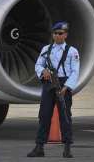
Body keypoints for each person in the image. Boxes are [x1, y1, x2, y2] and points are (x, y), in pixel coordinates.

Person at [27, 21, 80, 158]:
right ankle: (39, 146)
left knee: (65, 117)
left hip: (64, 83)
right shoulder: (46, 49)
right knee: (44, 115)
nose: (57, 36)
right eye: (55, 33)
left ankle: (67, 147)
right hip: (49, 83)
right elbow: (38, 64)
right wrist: (43, 71)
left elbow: (75, 71)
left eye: (60, 33)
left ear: (65, 35)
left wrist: (67, 87)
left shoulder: (72, 51)